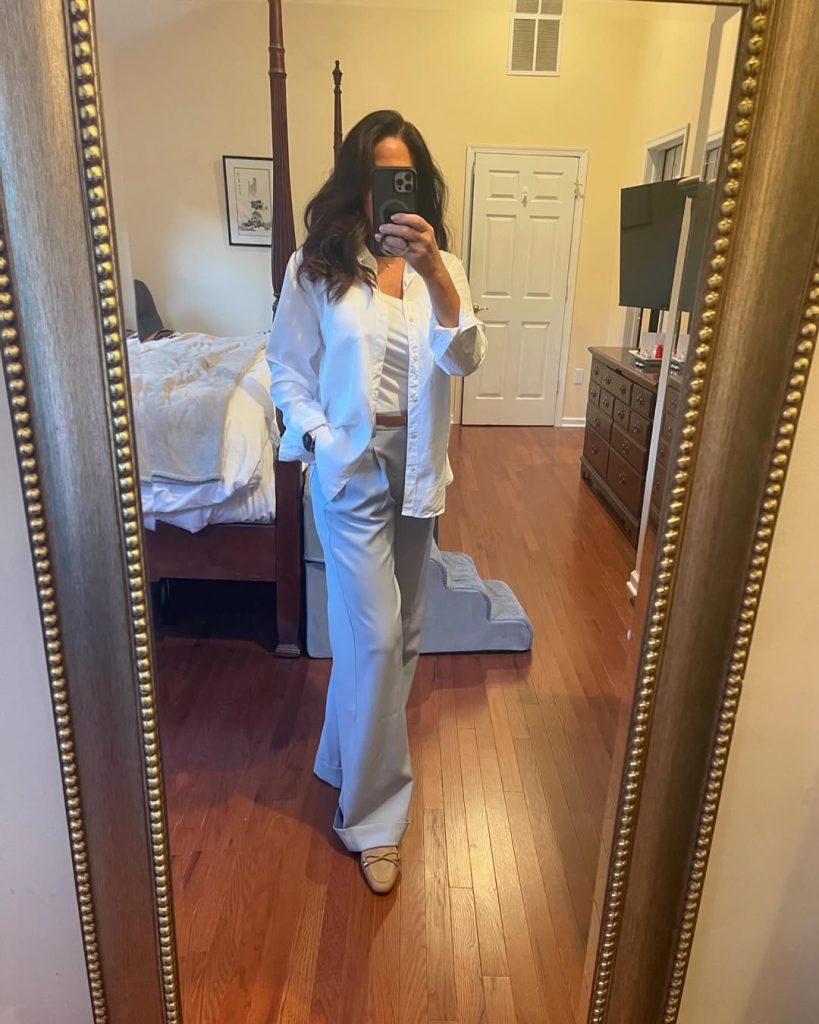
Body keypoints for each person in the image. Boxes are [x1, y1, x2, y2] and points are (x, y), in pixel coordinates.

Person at [267, 110, 487, 894]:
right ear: (358, 185)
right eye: (379, 177)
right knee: (375, 638)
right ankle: (373, 819)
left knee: (403, 636)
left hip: (418, 467)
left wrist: (436, 277)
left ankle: (339, 755)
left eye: (406, 177)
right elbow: (286, 368)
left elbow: (464, 360)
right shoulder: (315, 267)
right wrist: (322, 438)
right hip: (351, 466)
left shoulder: (442, 267)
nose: (392, 192)